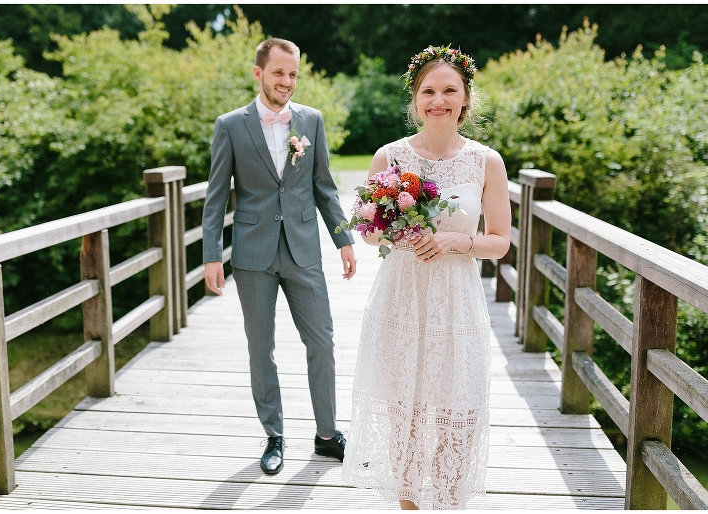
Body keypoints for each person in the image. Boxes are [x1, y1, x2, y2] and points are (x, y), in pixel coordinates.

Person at [341, 46, 511, 509]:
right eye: (428, 91)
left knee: (460, 412)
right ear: (415, 100)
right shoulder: (389, 156)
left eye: (449, 91)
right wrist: (399, 232)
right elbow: (370, 233)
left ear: (465, 100)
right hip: (402, 297)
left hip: (457, 300)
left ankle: (449, 503)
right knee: (407, 418)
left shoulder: (486, 162)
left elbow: (500, 241)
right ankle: (410, 505)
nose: (439, 100)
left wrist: (458, 243)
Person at [201, 38, 357, 476]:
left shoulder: (311, 120)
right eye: (278, 73)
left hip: (304, 249)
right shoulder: (230, 125)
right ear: (258, 74)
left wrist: (344, 239)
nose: (286, 82)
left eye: (292, 74)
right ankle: (274, 435)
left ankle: (327, 435)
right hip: (252, 253)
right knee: (261, 349)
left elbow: (324, 187)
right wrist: (211, 254)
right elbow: (215, 198)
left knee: (322, 342)